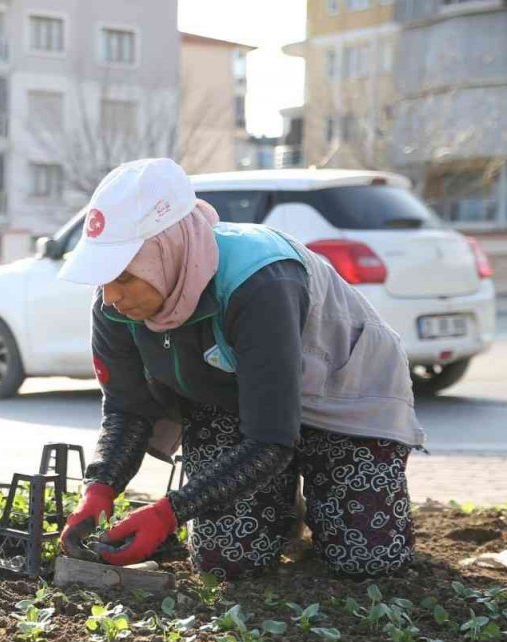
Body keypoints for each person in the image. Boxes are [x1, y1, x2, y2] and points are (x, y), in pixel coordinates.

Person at [57, 158, 424, 579]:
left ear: (165, 249)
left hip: (344, 395)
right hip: (231, 400)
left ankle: (315, 498)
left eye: (123, 276)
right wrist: (99, 488)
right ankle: (277, 510)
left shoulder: (261, 281)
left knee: (367, 561)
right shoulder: (115, 306)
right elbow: (128, 408)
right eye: (102, 278)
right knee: (226, 561)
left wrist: (168, 513)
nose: (111, 296)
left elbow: (271, 437)